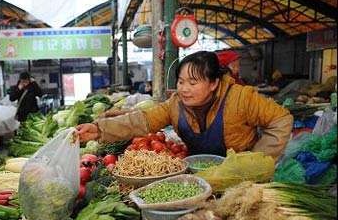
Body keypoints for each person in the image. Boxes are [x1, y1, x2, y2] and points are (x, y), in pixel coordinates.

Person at [77, 51, 293, 159]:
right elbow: (142, 121)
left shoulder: (241, 98)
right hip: (201, 174)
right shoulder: (175, 105)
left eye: (193, 82)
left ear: (213, 83)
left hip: (245, 181)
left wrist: (257, 159)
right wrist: (98, 129)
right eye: (181, 82)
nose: (184, 89)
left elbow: (281, 119)